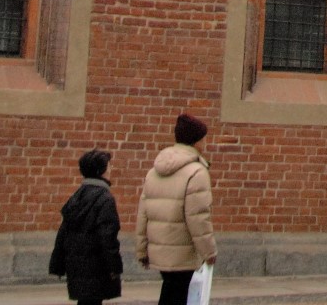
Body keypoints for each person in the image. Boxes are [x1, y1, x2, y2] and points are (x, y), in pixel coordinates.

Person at [138, 113, 216, 305]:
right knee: (178, 294)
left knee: (169, 292)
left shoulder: (155, 170)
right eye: (203, 139)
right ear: (196, 140)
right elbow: (198, 217)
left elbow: (143, 213)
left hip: (159, 246)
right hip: (183, 250)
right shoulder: (197, 172)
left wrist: (142, 249)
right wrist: (209, 251)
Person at [50, 150, 123, 305]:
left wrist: (57, 262)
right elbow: (108, 237)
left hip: (77, 264)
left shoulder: (77, 196)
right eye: (108, 167)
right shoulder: (105, 199)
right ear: (100, 171)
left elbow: (63, 232)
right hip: (97, 266)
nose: (110, 170)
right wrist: (115, 266)